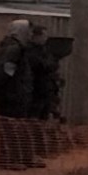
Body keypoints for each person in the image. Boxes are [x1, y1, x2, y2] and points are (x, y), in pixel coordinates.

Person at [0, 20, 38, 170]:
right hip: (11, 96)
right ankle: (8, 160)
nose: (31, 35)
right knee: (10, 128)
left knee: (19, 127)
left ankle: (22, 157)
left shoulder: (19, 48)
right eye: (29, 31)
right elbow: (5, 72)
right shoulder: (13, 48)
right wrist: (8, 91)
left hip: (18, 94)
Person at [24, 25, 60, 158]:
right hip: (35, 92)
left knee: (43, 122)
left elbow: (52, 65)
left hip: (46, 91)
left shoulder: (44, 50)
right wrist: (50, 64)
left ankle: (41, 151)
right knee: (33, 123)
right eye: (44, 35)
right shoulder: (30, 51)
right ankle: (32, 152)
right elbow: (43, 66)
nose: (46, 38)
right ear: (36, 36)